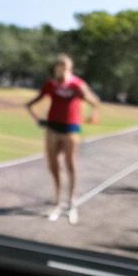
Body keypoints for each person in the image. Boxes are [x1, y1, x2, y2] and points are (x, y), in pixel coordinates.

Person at [24, 54, 100, 224]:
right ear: (56, 67)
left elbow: (94, 102)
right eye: (60, 65)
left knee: (70, 165)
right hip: (52, 129)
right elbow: (31, 103)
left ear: (70, 68)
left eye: (65, 65)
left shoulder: (77, 85)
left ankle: (72, 203)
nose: (62, 68)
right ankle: (58, 202)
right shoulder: (50, 84)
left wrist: (93, 114)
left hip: (71, 130)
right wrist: (36, 118)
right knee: (53, 165)